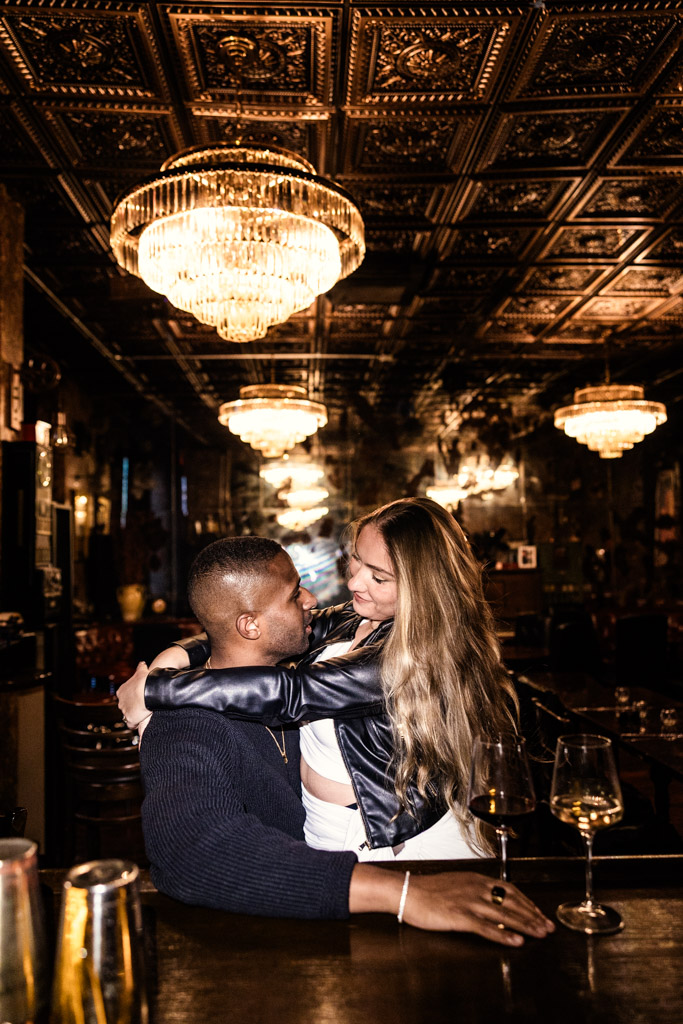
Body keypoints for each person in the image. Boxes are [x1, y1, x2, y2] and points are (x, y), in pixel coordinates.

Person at [137, 533, 553, 941]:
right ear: (250, 625)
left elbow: (288, 676)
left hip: (340, 893)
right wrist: (404, 892)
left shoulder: (365, 653)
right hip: (261, 941)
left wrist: (159, 678)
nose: (313, 600)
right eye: (295, 593)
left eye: (379, 575)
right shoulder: (186, 725)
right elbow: (193, 853)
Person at [119, 497, 519, 861]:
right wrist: (173, 656)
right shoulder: (360, 616)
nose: (354, 582)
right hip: (333, 833)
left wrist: (156, 690)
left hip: (396, 845)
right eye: (357, 560)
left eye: (379, 577)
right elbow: (241, 623)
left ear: (422, 589)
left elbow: (292, 693)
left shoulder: (413, 653)